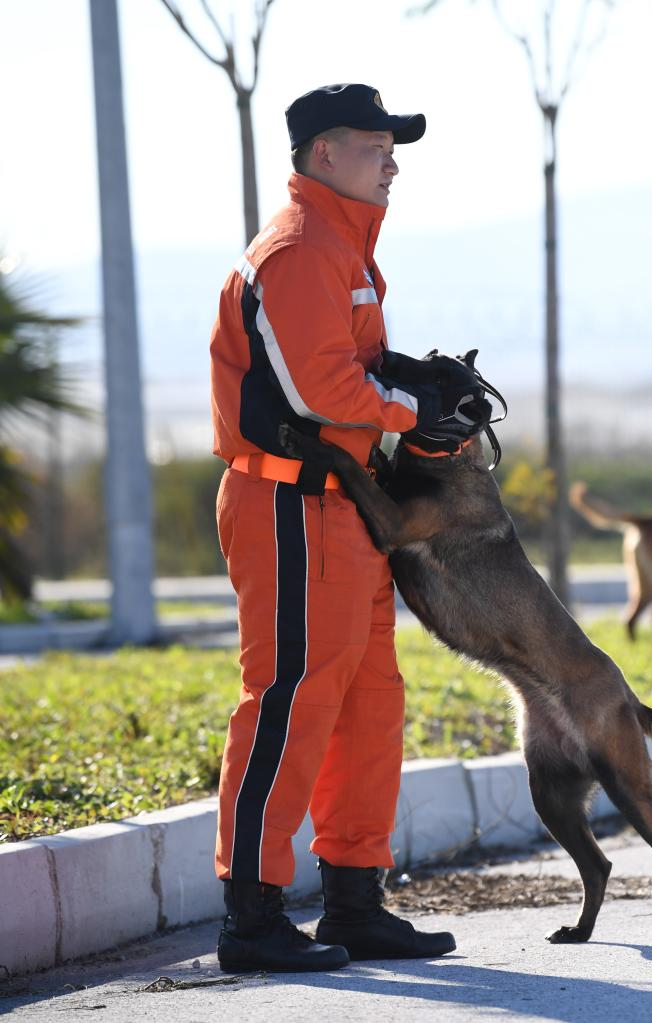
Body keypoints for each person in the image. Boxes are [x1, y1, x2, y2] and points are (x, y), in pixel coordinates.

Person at [209, 83, 480, 973]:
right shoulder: (298, 250)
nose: (393, 160)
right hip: (289, 505)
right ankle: (251, 917)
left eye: (393, 146)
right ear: (325, 153)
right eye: (377, 145)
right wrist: (413, 408)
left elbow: (351, 369)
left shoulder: (346, 250)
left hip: (345, 505)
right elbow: (322, 388)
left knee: (368, 703)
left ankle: (353, 901)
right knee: (290, 700)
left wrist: (406, 384)